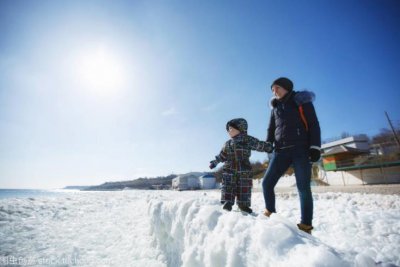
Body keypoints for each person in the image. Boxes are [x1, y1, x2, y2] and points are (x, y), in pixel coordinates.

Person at [262, 77, 321, 234]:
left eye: (276, 88)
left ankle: (306, 225)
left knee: (303, 188)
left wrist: (315, 147)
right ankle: (270, 214)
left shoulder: (300, 100)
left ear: (286, 87)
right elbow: (270, 129)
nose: (274, 91)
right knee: (266, 183)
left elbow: (314, 124)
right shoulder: (275, 107)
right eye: (272, 89)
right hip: (280, 151)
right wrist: (268, 145)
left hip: (300, 150)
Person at [210, 118, 272, 213]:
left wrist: (268, 147)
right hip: (229, 170)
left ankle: (243, 205)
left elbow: (258, 145)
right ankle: (228, 202)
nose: (229, 131)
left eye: (231, 129)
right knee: (228, 186)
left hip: (244, 170)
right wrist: (215, 162)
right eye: (228, 129)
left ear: (240, 128)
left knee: (244, 188)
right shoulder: (227, 144)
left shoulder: (247, 140)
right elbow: (222, 155)